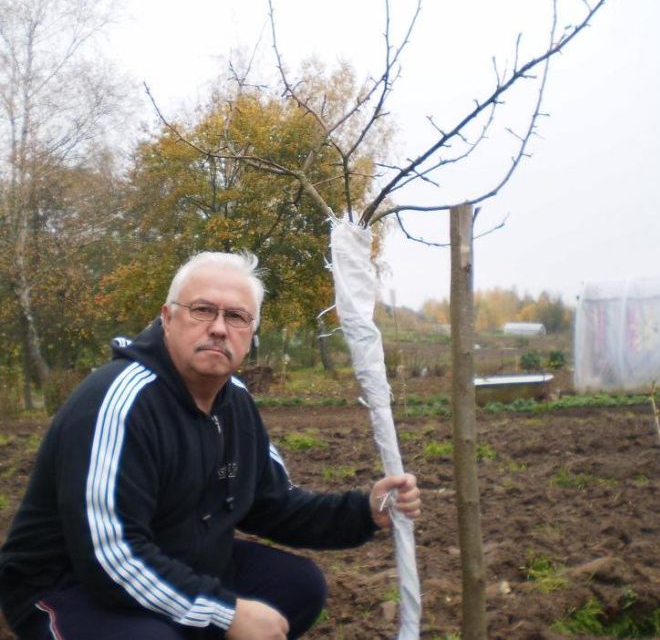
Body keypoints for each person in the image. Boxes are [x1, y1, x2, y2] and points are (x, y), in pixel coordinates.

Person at [0, 251, 421, 640]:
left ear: (252, 333)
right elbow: (111, 556)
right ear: (167, 317)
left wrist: (363, 510)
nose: (219, 328)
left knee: (296, 587)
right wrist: (226, 613)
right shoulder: (118, 402)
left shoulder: (235, 401)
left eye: (237, 317)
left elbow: (273, 503)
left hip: (174, 560)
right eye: (202, 310)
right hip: (68, 582)